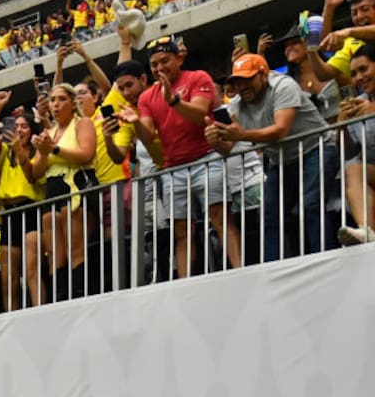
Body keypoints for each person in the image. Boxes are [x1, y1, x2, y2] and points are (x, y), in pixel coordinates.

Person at [206, 53, 337, 261]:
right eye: (237, 82)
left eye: (248, 79)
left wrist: (241, 134)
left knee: (310, 204)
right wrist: (215, 140)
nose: (242, 86)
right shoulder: (236, 105)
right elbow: (226, 148)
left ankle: (324, 259)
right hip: (283, 160)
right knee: (268, 213)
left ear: (263, 74)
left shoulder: (284, 86)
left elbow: (280, 130)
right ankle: (272, 266)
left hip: (317, 147)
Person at [134, 35, 242, 278]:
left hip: (206, 157)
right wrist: (134, 125)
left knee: (220, 217)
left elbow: (200, 112)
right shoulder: (145, 97)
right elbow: (149, 134)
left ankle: (239, 269)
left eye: (164, 61)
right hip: (173, 170)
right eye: (154, 65)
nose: (159, 68)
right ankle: (185, 281)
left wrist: (172, 99)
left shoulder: (197, 77)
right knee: (181, 231)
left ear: (178, 58)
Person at [30, 83, 97, 301]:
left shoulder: (82, 123)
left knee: (75, 247)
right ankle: (60, 296)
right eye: (52, 100)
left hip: (75, 186)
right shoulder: (48, 133)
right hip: (53, 190)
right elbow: (37, 172)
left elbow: (86, 154)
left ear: (72, 102)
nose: (56, 105)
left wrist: (54, 149)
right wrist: (41, 152)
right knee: (55, 253)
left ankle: (80, 292)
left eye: (61, 99)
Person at [0, 94, 46, 308]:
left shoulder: (38, 151)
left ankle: (40, 310)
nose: (19, 130)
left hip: (31, 210)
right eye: (16, 125)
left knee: (32, 270)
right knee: (7, 279)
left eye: (24, 126)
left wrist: (19, 149)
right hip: (8, 214)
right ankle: (12, 315)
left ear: (32, 131)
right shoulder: (5, 151)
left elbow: (33, 175)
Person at [337, 42, 375, 243]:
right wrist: (341, 126)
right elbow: (350, 151)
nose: (359, 78)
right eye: (354, 74)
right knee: (352, 170)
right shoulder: (359, 101)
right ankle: (367, 232)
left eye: (363, 69)